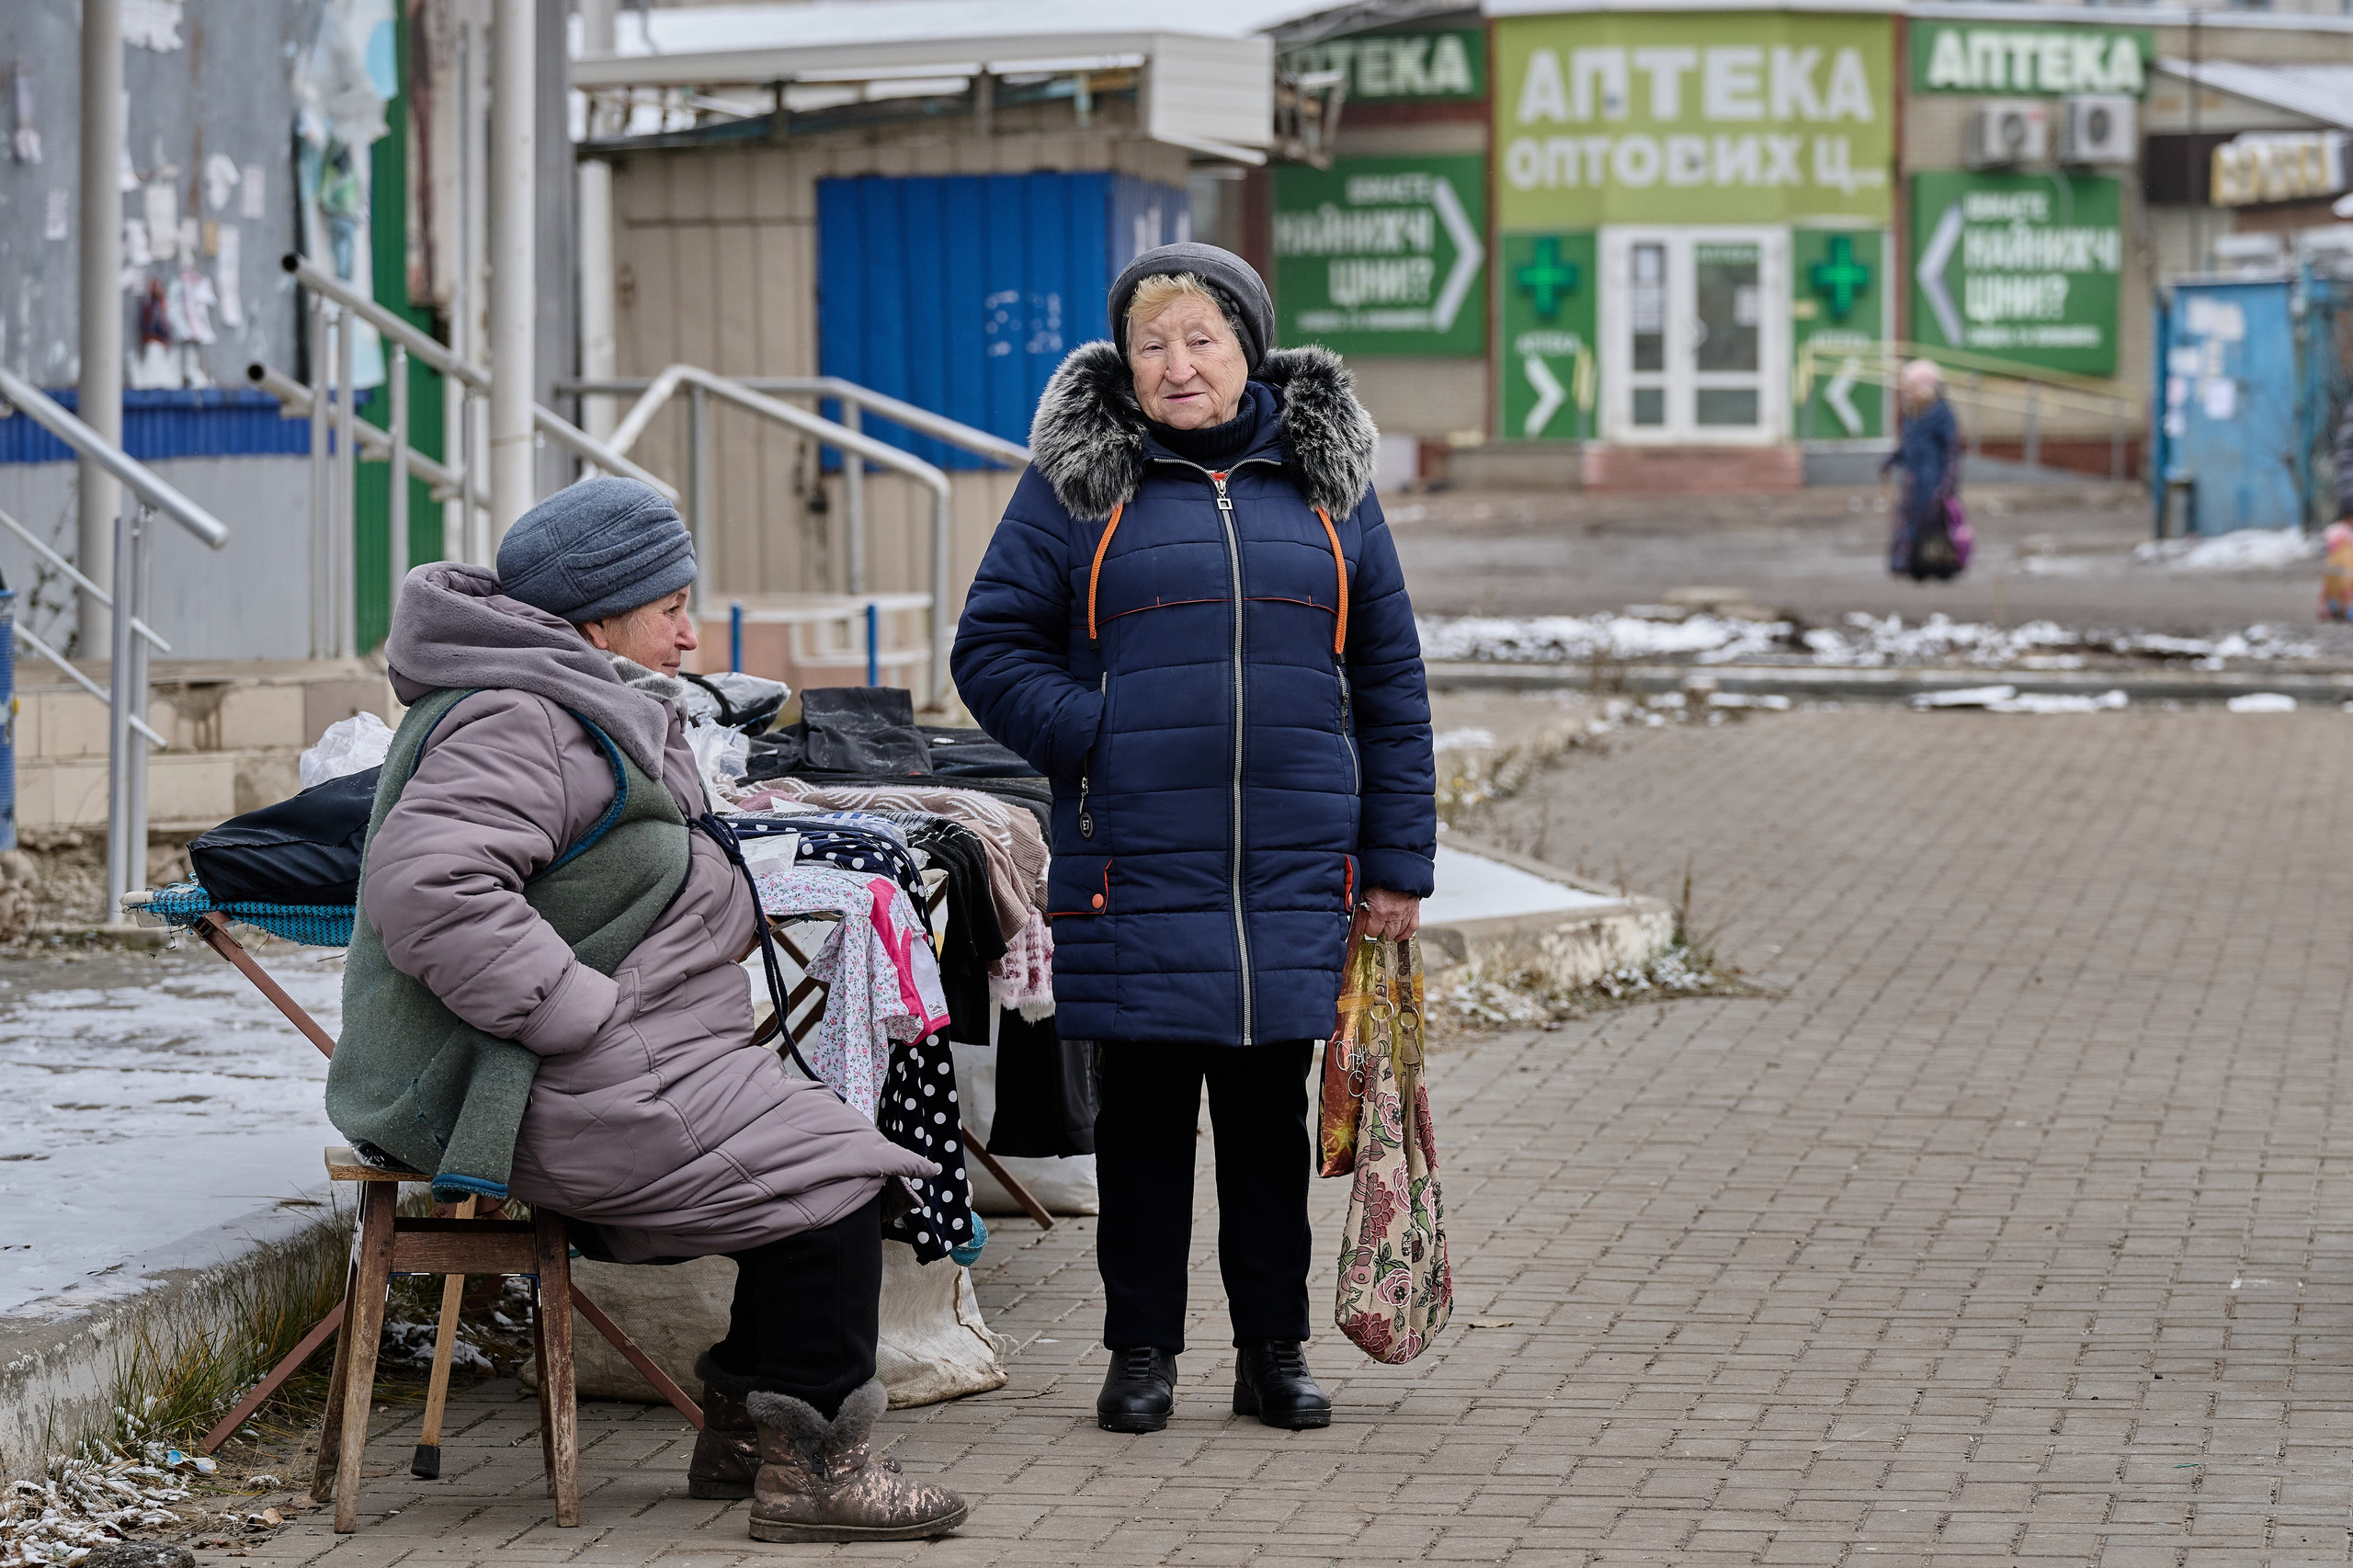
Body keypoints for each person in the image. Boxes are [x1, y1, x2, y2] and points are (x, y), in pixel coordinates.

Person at [326, 478, 970, 1544]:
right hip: (522, 1078)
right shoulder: (520, 714)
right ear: (595, 615)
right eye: (668, 605)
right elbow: (430, 889)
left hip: (615, 1051)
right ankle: (813, 1468)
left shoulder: (569, 694)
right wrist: (577, 1012)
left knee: (821, 1145)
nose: (687, 629)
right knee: (839, 1172)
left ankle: (744, 1434)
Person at [951, 244, 1438, 1435]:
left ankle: (1274, 1352)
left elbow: (1390, 676)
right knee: (1147, 1125)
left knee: (1269, 1126)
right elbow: (990, 647)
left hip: (1291, 863)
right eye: (1152, 344)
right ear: (1126, 362)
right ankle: (1141, 1352)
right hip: (1137, 864)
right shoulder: (1079, 489)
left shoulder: (1329, 486)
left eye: (1201, 340)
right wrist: (1098, 732)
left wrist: (1397, 863)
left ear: (1248, 348)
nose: (1178, 365)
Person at [1883, 358, 1963, 580]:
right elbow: (1907, 444)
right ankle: (1907, 564)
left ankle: (1938, 566)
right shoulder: (1911, 414)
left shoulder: (1942, 414)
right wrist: (1891, 459)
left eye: (1910, 388)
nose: (1907, 393)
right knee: (1908, 521)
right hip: (1912, 479)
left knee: (1934, 524)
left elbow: (1952, 451)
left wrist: (1948, 483)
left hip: (1933, 480)